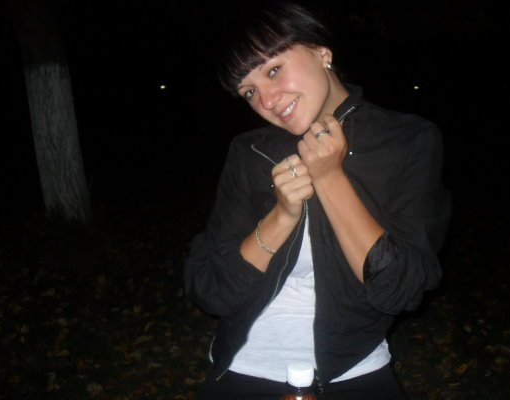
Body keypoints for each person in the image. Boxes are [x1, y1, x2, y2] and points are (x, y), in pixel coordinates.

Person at [184, 2, 451, 399]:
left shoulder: (406, 141)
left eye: (273, 69)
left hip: (353, 368)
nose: (267, 101)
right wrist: (280, 217)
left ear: (321, 52)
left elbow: (401, 290)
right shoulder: (251, 152)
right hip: (244, 366)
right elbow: (209, 289)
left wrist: (329, 177)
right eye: (250, 91)